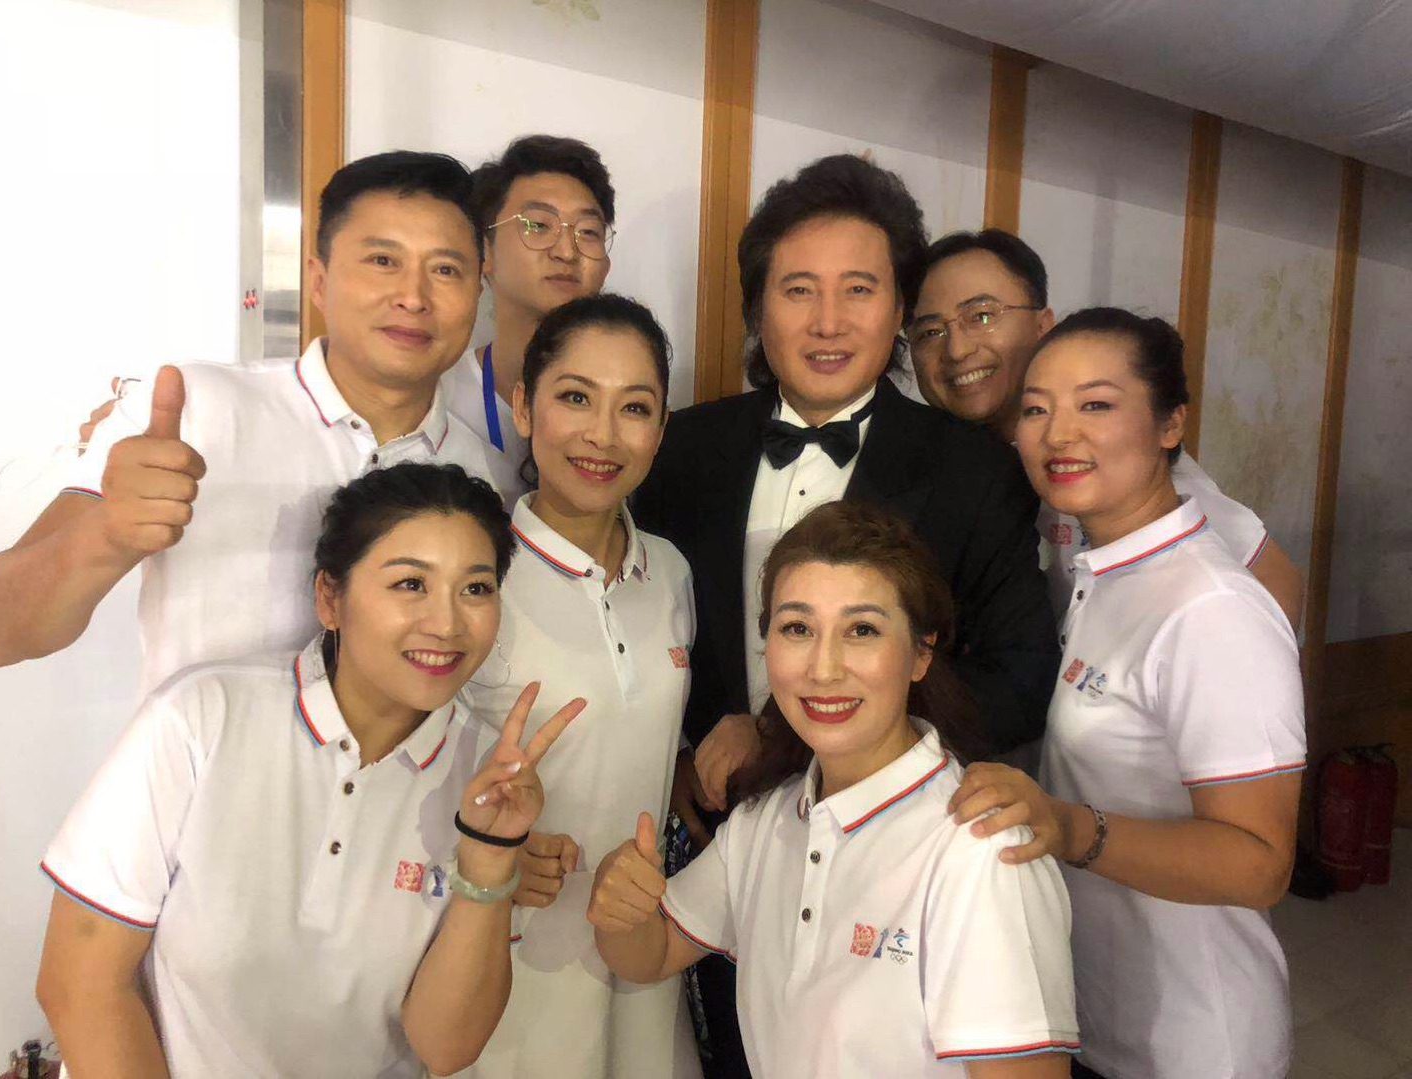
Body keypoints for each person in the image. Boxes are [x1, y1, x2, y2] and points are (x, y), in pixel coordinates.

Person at [636, 154, 1059, 1076]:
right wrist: (679, 756)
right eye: (798, 290)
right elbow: (646, 630)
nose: (827, 321)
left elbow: (1021, 674)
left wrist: (791, 739)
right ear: (757, 308)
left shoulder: (972, 469)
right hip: (714, 846)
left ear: (897, 307)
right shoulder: (680, 449)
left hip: (890, 862)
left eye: (858, 289)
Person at [35, 463, 588, 1077]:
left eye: (476, 589)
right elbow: (80, 985)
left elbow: (445, 1047)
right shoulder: (203, 718)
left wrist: (489, 856)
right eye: (410, 584)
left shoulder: (488, 779)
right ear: (330, 598)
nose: (447, 624)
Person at [587, 501, 1080, 1078]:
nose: (824, 669)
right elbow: (654, 953)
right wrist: (619, 910)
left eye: (862, 630)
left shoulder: (981, 850)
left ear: (921, 652)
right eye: (797, 628)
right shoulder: (767, 821)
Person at [0, 151, 496, 693]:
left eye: (445, 270)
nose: (412, 297)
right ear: (318, 280)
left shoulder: (482, 473)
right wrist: (106, 534)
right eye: (383, 260)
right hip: (200, 750)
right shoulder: (192, 410)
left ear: (476, 294)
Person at [949, 309, 1305, 1079]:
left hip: (1192, 1040)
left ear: (1170, 423)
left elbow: (1258, 864)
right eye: (1036, 408)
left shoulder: (1209, 607)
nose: (1058, 433)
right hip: (1099, 1013)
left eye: (1096, 404)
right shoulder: (1098, 572)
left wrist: (1069, 827)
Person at [451, 294, 699, 1076]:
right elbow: (397, 768)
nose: (603, 435)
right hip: (507, 958)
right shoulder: (473, 576)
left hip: (639, 953)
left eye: (635, 407)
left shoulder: (671, 571)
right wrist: (478, 854)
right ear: (524, 406)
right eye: (575, 397)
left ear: (660, 428)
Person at [907, 228, 1305, 627]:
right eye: (929, 332)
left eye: (982, 316)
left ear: (1043, 325)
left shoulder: (1126, 466)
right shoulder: (940, 465)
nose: (957, 349)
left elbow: (1275, 583)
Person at [444, 135, 616, 501]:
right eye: (538, 225)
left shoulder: (623, 410)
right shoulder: (439, 398)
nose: (566, 251)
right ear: (483, 251)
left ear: (606, 265)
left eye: (588, 232)